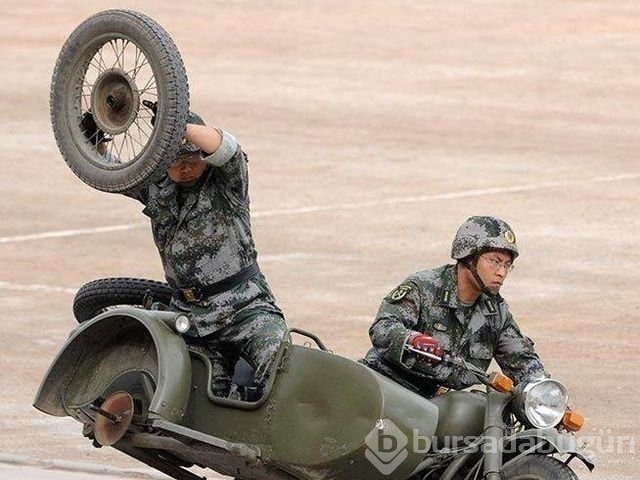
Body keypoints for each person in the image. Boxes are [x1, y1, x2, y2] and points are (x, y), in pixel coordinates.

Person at [81, 106, 287, 399]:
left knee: (280, 361)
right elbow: (106, 169)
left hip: (244, 309)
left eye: (191, 158)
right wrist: (96, 128)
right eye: (174, 160)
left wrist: (176, 125)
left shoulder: (226, 182)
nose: (184, 167)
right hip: (188, 317)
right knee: (192, 392)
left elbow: (227, 148)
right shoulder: (155, 187)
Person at [361, 215, 547, 397]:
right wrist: (411, 340)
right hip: (387, 389)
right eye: (495, 261)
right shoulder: (424, 287)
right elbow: (382, 327)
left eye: (507, 265)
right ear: (468, 257)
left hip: (440, 405)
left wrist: (545, 394)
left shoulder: (496, 312)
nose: (501, 272)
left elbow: (521, 360)